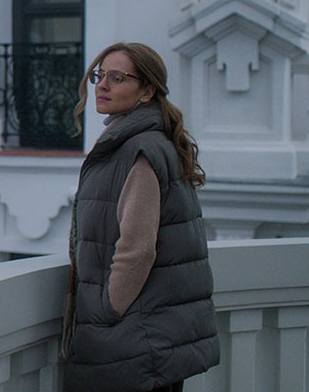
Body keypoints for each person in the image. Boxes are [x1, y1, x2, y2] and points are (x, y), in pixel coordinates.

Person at [60, 43, 219, 392]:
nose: (102, 86)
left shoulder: (139, 150)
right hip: (151, 339)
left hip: (135, 341)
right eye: (100, 76)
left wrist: (107, 310)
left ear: (147, 91)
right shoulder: (146, 141)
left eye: (117, 78)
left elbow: (137, 248)